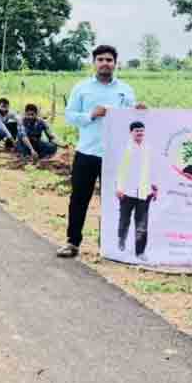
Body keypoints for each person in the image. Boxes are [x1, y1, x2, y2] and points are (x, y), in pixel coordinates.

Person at [57, 45, 144, 259]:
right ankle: (72, 242)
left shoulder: (125, 90)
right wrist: (91, 115)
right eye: (101, 59)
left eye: (109, 60)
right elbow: (69, 115)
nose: (105, 63)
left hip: (116, 155)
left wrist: (140, 111)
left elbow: (132, 120)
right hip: (87, 152)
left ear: (116, 63)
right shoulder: (82, 88)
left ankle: (109, 246)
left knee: (115, 201)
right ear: (94, 63)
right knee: (79, 198)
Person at [115, 121, 158, 261]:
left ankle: (140, 252)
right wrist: (119, 188)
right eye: (137, 131)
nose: (140, 133)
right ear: (131, 132)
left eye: (142, 130)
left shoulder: (148, 148)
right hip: (127, 191)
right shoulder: (125, 148)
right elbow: (120, 170)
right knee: (124, 220)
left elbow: (152, 169)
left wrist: (154, 188)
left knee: (142, 224)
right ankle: (121, 239)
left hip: (144, 192)